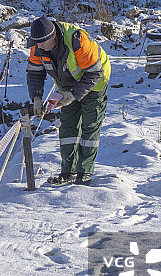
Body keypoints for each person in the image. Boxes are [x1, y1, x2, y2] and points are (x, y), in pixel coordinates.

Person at [26, 16, 111, 186]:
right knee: (68, 127)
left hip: (94, 83)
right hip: (67, 86)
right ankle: (68, 172)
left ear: (53, 36)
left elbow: (94, 73)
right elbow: (35, 73)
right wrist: (36, 97)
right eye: (37, 43)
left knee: (89, 126)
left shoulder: (77, 40)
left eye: (42, 42)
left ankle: (84, 172)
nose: (39, 46)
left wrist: (74, 95)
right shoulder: (38, 45)